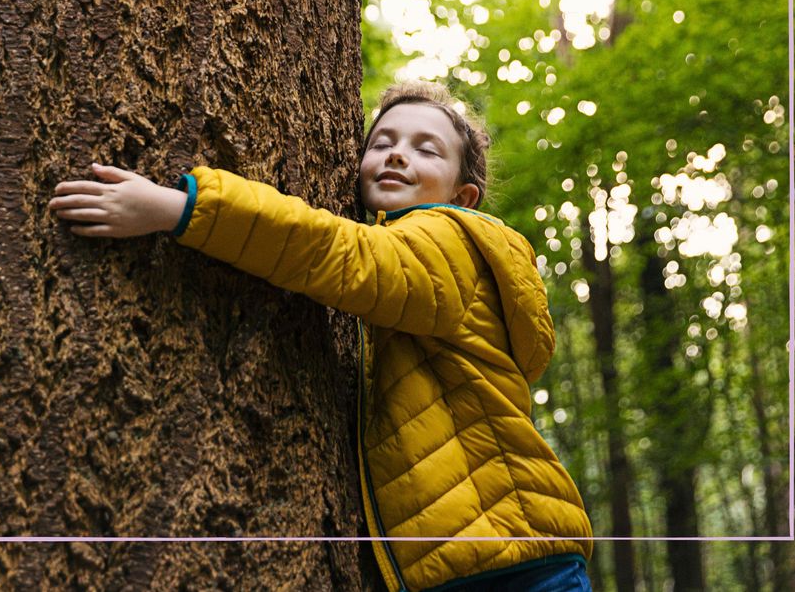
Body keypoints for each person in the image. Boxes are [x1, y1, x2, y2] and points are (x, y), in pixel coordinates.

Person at [47, 80, 594, 592]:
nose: (398, 154)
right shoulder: (425, 265)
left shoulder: (452, 239)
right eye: (383, 142)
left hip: (511, 559)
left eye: (427, 150)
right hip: (486, 555)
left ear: (464, 195)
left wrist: (180, 207)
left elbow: (339, 254)